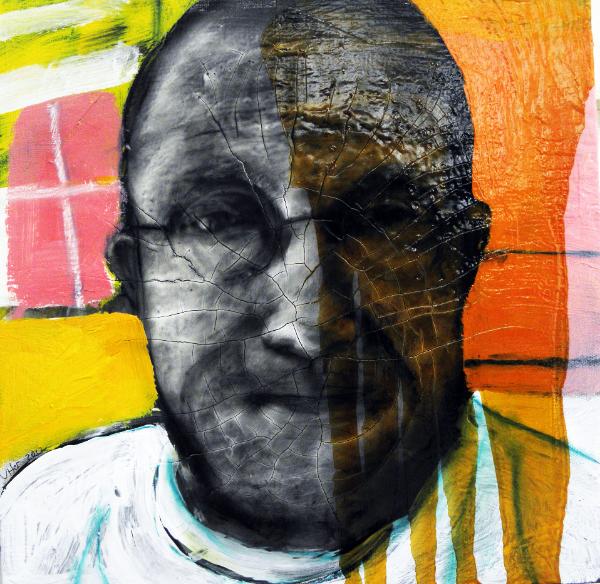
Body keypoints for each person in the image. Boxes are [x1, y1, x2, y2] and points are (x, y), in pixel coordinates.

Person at [0, 0, 492, 581]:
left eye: (381, 218)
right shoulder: (32, 531)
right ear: (136, 279)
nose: (307, 324)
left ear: (458, 261)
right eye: (223, 220)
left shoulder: (573, 530)